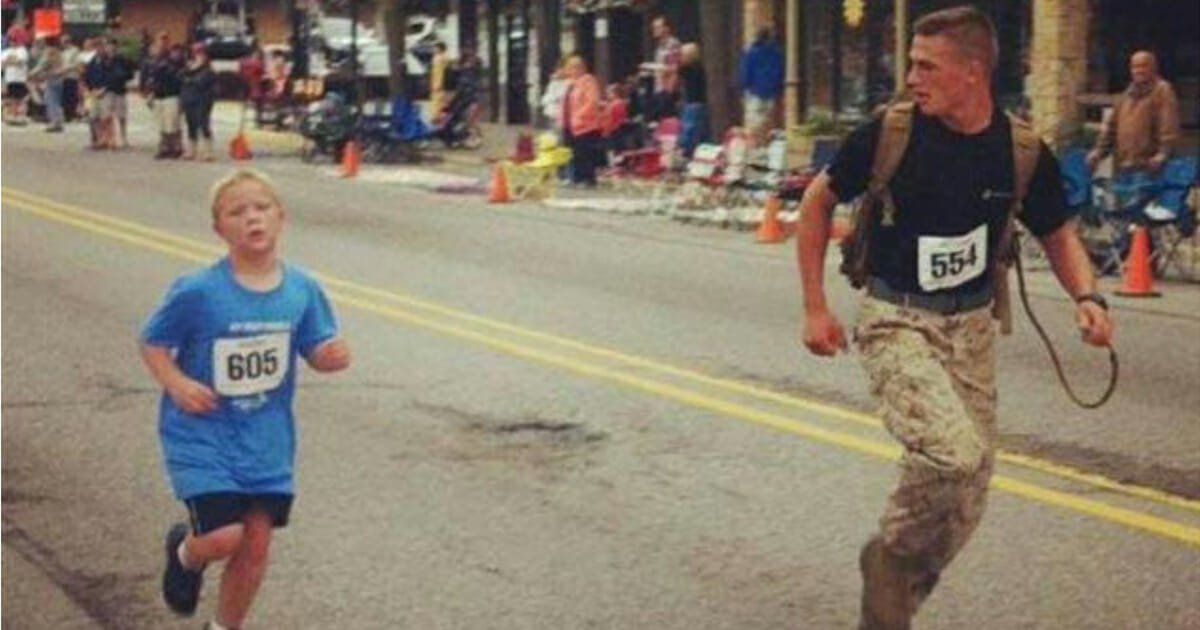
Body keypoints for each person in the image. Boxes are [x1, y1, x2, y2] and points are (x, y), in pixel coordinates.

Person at [794, 7, 1113, 629]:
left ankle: (892, 571)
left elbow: (1056, 230)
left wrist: (1089, 297)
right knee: (953, 454)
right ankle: (890, 565)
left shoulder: (1018, 151)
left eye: (926, 66)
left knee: (969, 499)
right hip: (896, 318)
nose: (912, 76)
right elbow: (815, 202)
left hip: (969, 329)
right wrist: (815, 308)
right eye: (912, 63)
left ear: (973, 72)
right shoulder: (890, 133)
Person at [140, 169, 350, 630]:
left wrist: (331, 356)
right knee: (221, 538)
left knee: (255, 547)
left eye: (261, 208)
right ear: (219, 228)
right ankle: (185, 553)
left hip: (266, 440)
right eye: (237, 212)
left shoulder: (302, 288)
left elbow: (318, 348)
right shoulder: (198, 290)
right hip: (202, 433)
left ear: (280, 218)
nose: (251, 218)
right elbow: (153, 342)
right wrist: (177, 383)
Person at [1086, 50, 1181, 175]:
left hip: (1151, 167)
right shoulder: (1126, 95)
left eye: (1143, 66)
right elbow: (1111, 128)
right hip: (1125, 166)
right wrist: (1098, 151)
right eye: (1135, 67)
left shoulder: (1162, 91)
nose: (1139, 71)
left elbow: (1168, 125)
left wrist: (1163, 153)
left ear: (1153, 68)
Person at [737, 27, 784, 148]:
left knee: (753, 120)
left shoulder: (751, 52)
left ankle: (754, 145)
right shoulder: (776, 52)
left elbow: (746, 72)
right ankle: (764, 143)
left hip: (754, 91)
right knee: (767, 119)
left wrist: (743, 88)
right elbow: (779, 71)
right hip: (770, 90)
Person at [562, 55, 603, 187]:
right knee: (573, 152)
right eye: (570, 67)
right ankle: (575, 177)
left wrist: (579, 116)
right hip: (570, 124)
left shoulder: (588, 81)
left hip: (585, 125)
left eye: (576, 67)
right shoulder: (570, 84)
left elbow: (592, 101)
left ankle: (587, 179)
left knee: (585, 152)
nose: (572, 70)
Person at [639, 15, 680, 121]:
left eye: (658, 27)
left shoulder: (673, 44)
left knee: (668, 120)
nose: (655, 30)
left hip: (668, 89)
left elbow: (673, 67)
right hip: (658, 88)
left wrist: (650, 66)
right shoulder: (659, 47)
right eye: (654, 28)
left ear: (666, 28)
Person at [181, 42, 217, 161]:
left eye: (201, 52)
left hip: (203, 100)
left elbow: (201, 82)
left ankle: (208, 152)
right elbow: (181, 78)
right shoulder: (189, 66)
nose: (198, 55)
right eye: (196, 52)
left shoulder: (208, 69)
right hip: (189, 99)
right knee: (191, 125)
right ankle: (191, 150)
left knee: (203, 124)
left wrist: (190, 79)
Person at [150, 43, 185, 158]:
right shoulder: (159, 65)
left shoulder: (181, 67)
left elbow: (181, 84)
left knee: (172, 124)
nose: (176, 54)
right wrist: (152, 95)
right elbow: (154, 81)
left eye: (178, 52)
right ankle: (164, 147)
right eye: (174, 52)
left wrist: (181, 99)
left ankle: (176, 147)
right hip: (159, 97)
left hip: (172, 96)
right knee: (162, 124)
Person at [28, 35, 66, 132]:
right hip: (58, 78)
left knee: (51, 101)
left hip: (53, 78)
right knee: (55, 101)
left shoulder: (50, 51)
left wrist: (32, 73)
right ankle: (58, 122)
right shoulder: (57, 52)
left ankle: (55, 123)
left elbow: (42, 64)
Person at [677, 42, 707, 158]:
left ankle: (688, 154)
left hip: (693, 104)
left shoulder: (690, 68)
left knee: (690, 131)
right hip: (694, 103)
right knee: (693, 130)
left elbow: (678, 71)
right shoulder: (698, 67)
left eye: (683, 55)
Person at [2, 40, 30, 125]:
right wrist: (12, 61)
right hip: (9, 79)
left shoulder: (22, 50)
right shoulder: (5, 51)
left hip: (20, 78)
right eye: (11, 40)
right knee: (12, 99)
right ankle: (14, 117)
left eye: (15, 40)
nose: (12, 42)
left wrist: (9, 61)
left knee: (21, 99)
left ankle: (22, 117)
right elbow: (3, 64)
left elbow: (20, 62)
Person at [429, 41, 449, 120]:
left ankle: (435, 116)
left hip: (438, 82)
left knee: (437, 99)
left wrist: (438, 83)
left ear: (440, 49)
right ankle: (439, 115)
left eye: (436, 48)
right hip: (436, 81)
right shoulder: (440, 57)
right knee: (439, 100)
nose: (434, 49)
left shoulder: (440, 58)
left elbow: (440, 72)